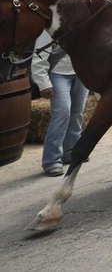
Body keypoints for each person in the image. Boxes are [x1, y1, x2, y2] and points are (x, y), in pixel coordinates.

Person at [30, 30, 87, 177]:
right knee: (62, 113)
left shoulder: (83, 22)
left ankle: (71, 152)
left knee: (77, 113)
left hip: (81, 71)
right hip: (57, 74)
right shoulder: (49, 28)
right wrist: (43, 83)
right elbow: (39, 56)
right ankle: (51, 161)